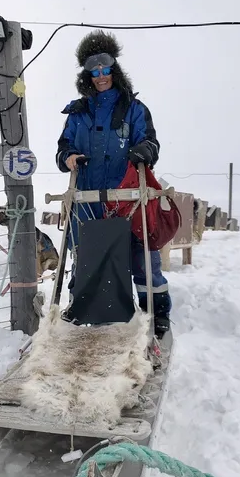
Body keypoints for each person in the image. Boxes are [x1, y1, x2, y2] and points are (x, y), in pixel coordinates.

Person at [55, 29, 172, 338]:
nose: (100, 75)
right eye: (93, 70)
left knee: (142, 256)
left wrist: (143, 151)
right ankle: (80, 310)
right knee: (84, 257)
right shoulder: (77, 115)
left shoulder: (134, 110)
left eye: (105, 68)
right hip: (88, 200)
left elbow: (151, 143)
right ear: (87, 74)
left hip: (128, 198)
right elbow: (62, 149)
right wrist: (67, 158)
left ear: (114, 68)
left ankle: (156, 312)